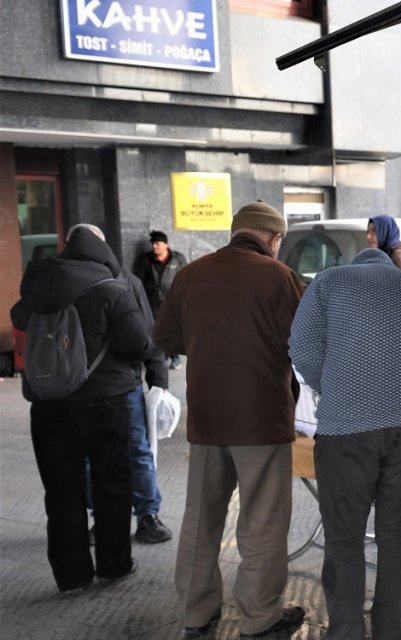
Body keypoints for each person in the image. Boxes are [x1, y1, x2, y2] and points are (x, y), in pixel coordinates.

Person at [288, 246, 401, 640]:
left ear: (357, 265)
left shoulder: (328, 282)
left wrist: (332, 385)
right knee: (398, 539)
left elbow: (301, 349)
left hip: (344, 434)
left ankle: (347, 632)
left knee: (343, 541)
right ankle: (390, 633)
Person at [153, 200, 307, 639]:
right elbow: (306, 342)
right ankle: (260, 619)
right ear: (273, 238)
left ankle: (196, 617)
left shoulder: (192, 273)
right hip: (261, 419)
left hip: (206, 418)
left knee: (200, 519)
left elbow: (162, 336)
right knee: (262, 522)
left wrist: (207, 339)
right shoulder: (278, 277)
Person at [9, 227, 151, 594]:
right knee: (111, 484)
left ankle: (71, 577)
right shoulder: (111, 290)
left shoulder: (37, 287)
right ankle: (114, 566)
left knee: (60, 490)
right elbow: (137, 344)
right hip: (105, 402)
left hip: (48, 404)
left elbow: (19, 322)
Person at [67, 225, 173, 545]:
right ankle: (136, 517)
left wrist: (158, 378)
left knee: (107, 455)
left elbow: (148, 333)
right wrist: (156, 377)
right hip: (104, 385)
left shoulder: (124, 280)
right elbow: (145, 337)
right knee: (128, 452)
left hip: (94, 386)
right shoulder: (80, 282)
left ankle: (136, 516)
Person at [132, 230, 187, 369]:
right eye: (152, 244)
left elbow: (186, 277)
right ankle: (159, 359)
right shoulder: (145, 260)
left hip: (173, 300)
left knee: (174, 329)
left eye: (157, 243)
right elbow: (138, 280)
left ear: (165, 244)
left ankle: (175, 357)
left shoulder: (178, 258)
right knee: (156, 330)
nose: (154, 246)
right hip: (152, 302)